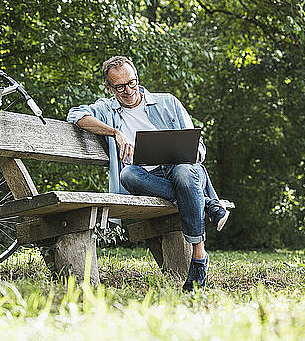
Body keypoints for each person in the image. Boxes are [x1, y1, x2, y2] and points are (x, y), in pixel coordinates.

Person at [67, 56, 229, 291]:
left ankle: (198, 256)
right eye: (120, 87)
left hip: (183, 170)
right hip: (148, 179)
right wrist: (115, 133)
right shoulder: (106, 109)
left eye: (132, 82)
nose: (129, 90)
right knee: (128, 175)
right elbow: (76, 115)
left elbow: (197, 144)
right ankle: (206, 203)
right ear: (109, 88)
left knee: (184, 174)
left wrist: (194, 154)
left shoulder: (167, 102)